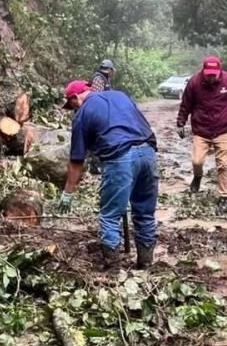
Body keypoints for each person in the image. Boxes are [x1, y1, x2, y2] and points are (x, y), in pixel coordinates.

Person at [57, 80, 159, 269]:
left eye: (71, 106)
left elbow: (77, 160)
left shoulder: (82, 114)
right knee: (145, 213)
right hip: (148, 152)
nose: (73, 110)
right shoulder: (120, 95)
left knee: (110, 215)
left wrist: (68, 192)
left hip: (120, 157)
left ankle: (113, 268)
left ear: (75, 98)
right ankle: (146, 264)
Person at [176, 56, 227, 213]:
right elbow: (186, 104)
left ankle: (224, 196)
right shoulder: (194, 82)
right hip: (201, 129)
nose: (211, 78)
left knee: (223, 164)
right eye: (209, 75)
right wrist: (180, 123)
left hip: (222, 128)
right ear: (204, 71)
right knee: (197, 161)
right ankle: (197, 177)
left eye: (214, 75)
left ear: (219, 70)